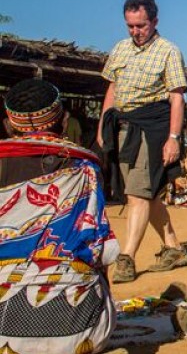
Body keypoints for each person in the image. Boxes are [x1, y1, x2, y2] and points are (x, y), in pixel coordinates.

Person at [0, 79, 119, 354]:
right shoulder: (85, 167)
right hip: (77, 333)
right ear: (64, 121)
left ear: (8, 123)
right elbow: (98, 251)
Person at [97, 0, 187, 283]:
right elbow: (113, 89)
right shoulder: (120, 49)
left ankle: (127, 258)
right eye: (130, 26)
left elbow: (177, 98)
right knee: (145, 193)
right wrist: (103, 125)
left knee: (137, 193)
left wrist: (173, 138)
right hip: (123, 127)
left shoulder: (168, 51)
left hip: (154, 127)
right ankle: (174, 248)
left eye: (141, 25)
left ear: (154, 22)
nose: (136, 31)